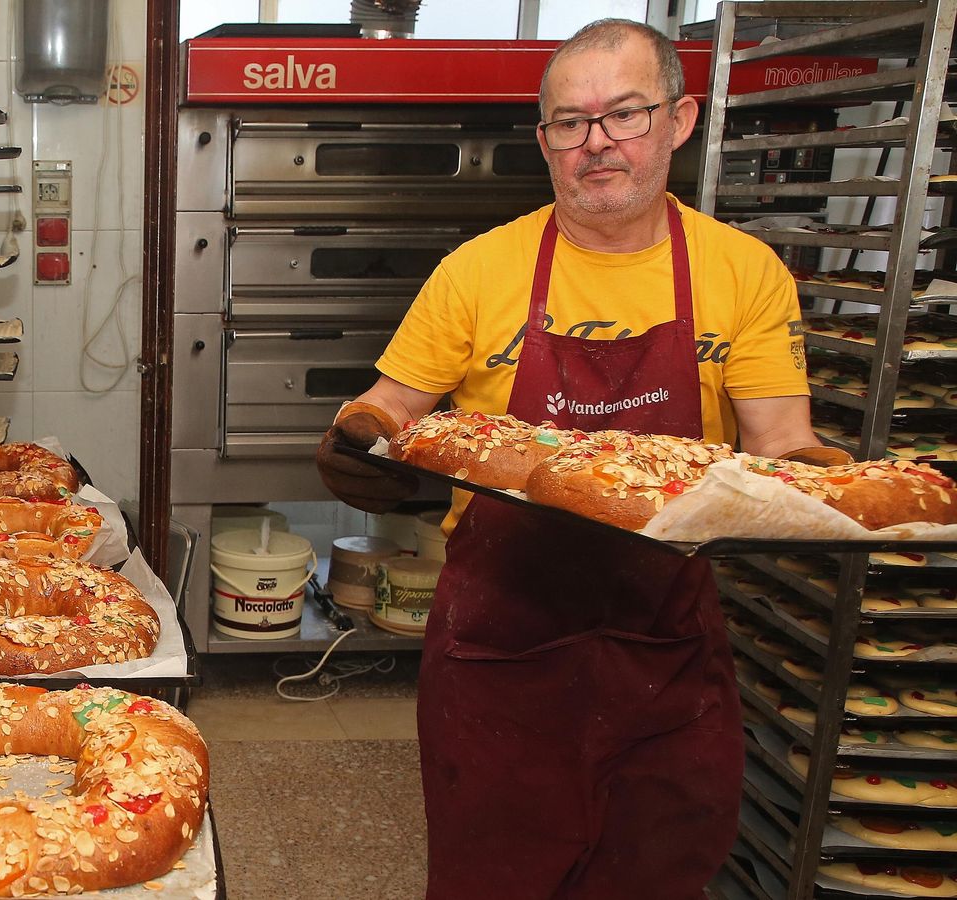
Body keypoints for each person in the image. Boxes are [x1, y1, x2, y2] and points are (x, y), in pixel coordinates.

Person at [314, 19, 849, 900]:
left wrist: (847, 490)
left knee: (656, 872)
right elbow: (390, 406)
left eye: (624, 115)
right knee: (493, 876)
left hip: (664, 642)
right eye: (570, 122)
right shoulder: (480, 270)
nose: (596, 143)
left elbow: (782, 445)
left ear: (680, 120)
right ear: (544, 141)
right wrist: (355, 440)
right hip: (501, 646)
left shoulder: (744, 272)